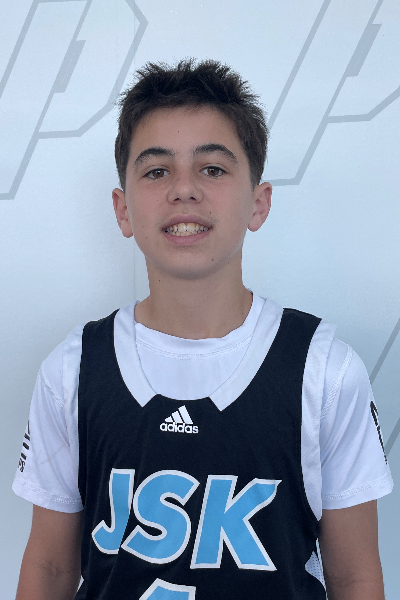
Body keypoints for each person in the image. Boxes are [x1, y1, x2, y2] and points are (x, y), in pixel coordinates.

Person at [13, 59, 392, 600]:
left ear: (258, 202)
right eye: (156, 171)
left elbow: (354, 577)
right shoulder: (72, 370)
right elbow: (50, 568)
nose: (184, 189)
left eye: (212, 169)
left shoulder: (325, 371)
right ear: (122, 209)